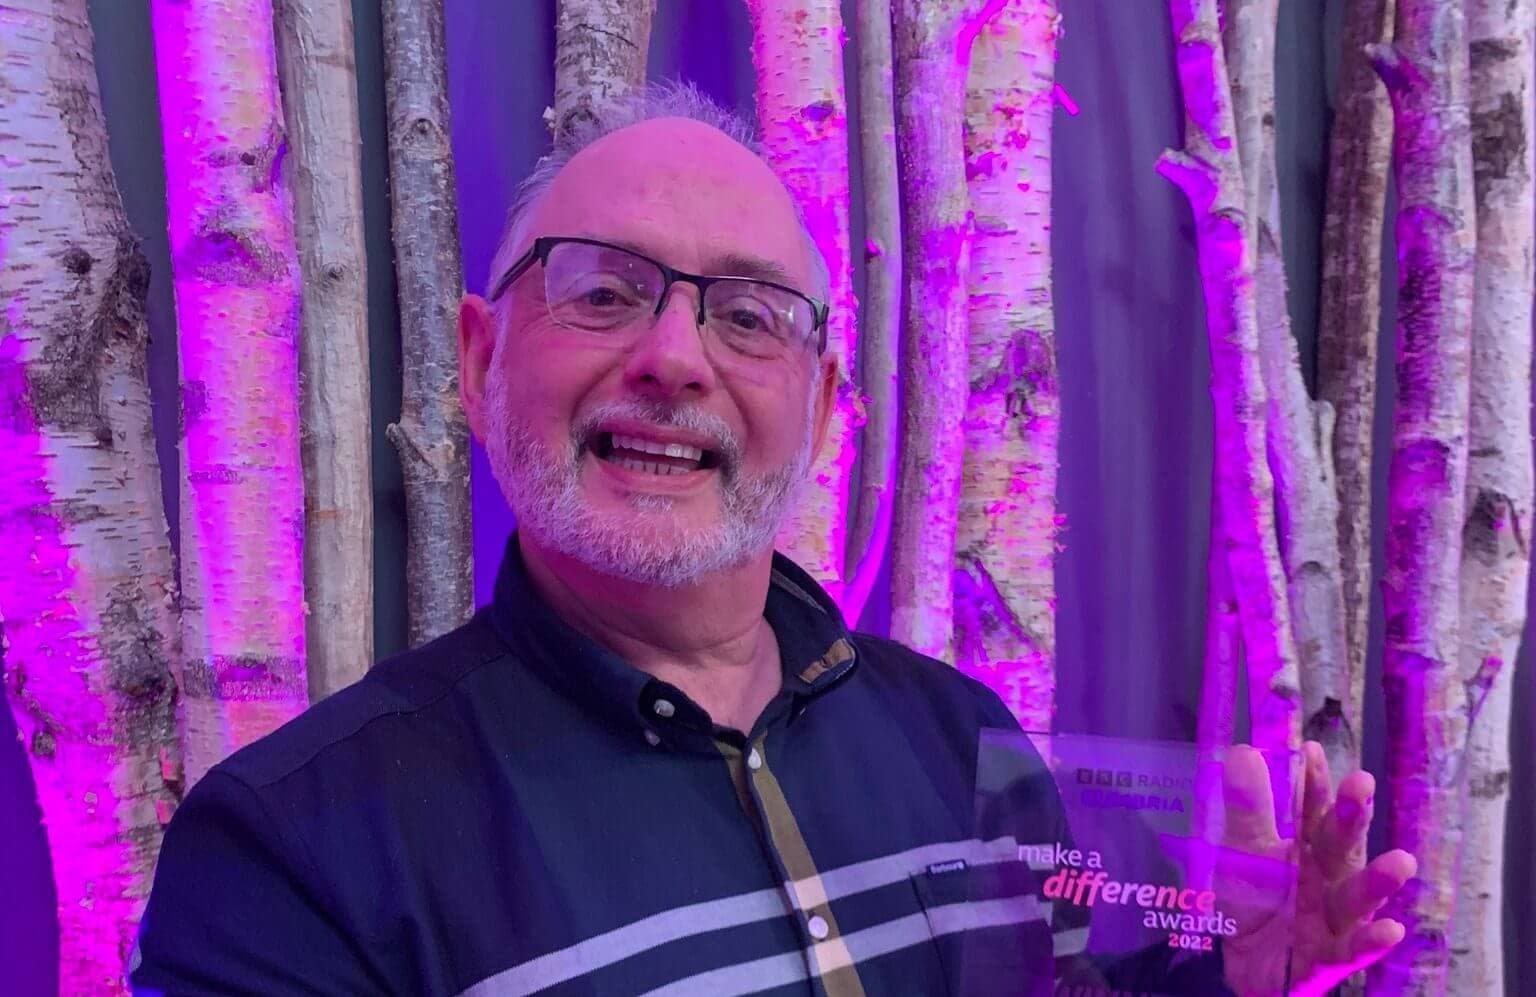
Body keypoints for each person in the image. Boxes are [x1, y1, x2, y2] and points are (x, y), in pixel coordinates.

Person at [131, 83, 1415, 996]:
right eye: (604, 292)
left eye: (749, 316)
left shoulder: (963, 734)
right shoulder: (289, 852)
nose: (674, 358)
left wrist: (1235, 979)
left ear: (819, 401)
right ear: (480, 357)